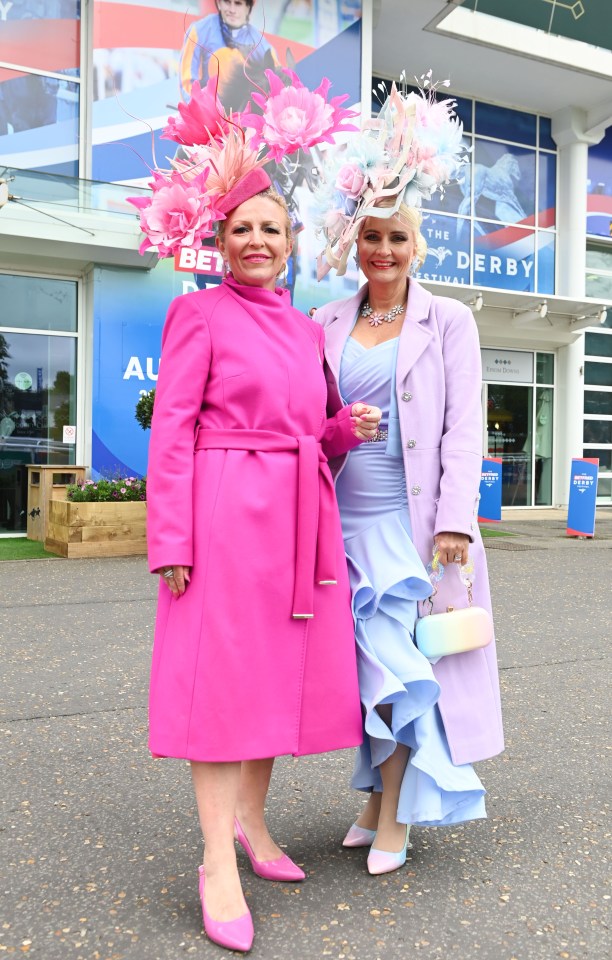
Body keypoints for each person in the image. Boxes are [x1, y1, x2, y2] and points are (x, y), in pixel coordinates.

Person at [130, 75, 379, 952]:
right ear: (222, 241)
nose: (259, 241)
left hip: (296, 522)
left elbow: (311, 433)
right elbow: (171, 433)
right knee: (220, 692)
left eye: (272, 229)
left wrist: (346, 428)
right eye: (244, 229)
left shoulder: (308, 330)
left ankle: (255, 826)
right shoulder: (196, 314)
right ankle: (216, 859)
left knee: (270, 682)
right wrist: (173, 539)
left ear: (293, 240)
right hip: (225, 519)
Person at [313, 79, 504, 876]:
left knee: (398, 667)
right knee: (362, 674)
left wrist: (457, 521)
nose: (383, 252)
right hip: (340, 524)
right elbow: (311, 425)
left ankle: (396, 812)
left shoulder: (449, 320)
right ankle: (372, 795)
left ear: (415, 245)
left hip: (412, 527)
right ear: (353, 242)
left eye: (397, 239)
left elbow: (466, 427)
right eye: (371, 238)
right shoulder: (324, 320)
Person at [179, 0, 278, 111]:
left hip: (242, 121)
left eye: (238, 3)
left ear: (248, 7)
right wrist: (200, 111)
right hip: (206, 115)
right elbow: (187, 83)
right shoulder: (198, 31)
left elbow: (278, 85)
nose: (232, 10)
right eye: (227, 2)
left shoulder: (262, 45)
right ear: (219, 3)